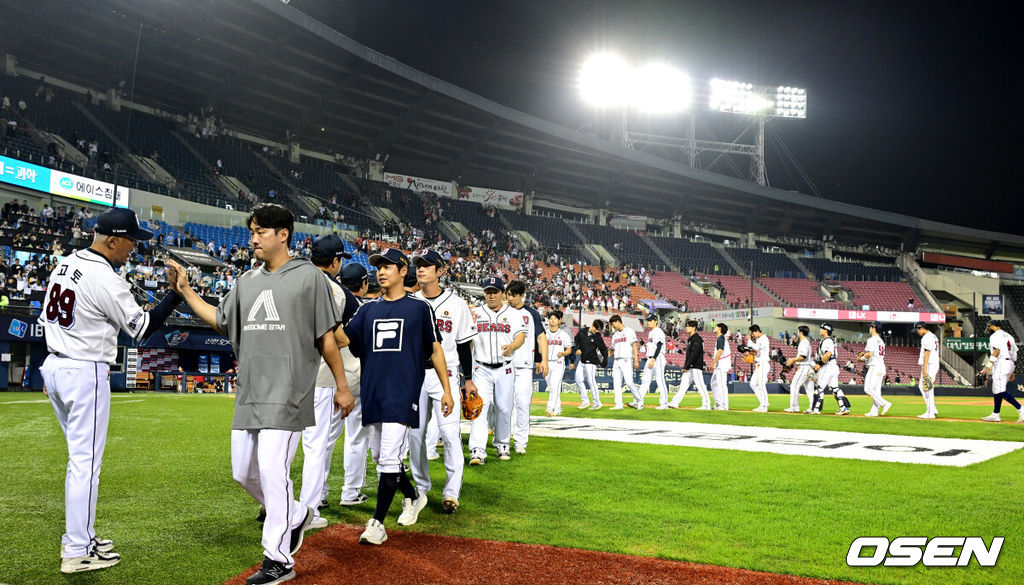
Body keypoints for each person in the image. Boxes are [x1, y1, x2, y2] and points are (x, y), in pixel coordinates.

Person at [166, 203, 354, 585]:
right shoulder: (246, 281)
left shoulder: (309, 278)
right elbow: (220, 321)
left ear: (283, 234)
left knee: (272, 471)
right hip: (250, 391)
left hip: (288, 392)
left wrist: (342, 386)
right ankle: (298, 514)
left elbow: (327, 339)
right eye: (252, 232)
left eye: (260, 232)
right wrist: (185, 291)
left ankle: (278, 559)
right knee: (243, 473)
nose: (252, 239)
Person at [40, 208, 181, 574]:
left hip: (56, 365)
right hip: (83, 369)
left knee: (80, 461)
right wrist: (174, 293)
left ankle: (83, 538)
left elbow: (49, 318)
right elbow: (144, 327)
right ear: (113, 240)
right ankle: (76, 550)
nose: (134, 247)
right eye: (131, 240)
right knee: (85, 465)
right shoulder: (105, 278)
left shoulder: (65, 263)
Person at [335, 248, 453, 545]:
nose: (381, 271)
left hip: (402, 393)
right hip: (373, 392)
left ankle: (377, 523)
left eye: (388, 266)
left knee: (388, 457)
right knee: (381, 458)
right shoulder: (367, 310)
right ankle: (413, 496)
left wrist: (447, 390)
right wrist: (321, 321)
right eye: (378, 267)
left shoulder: (419, 308)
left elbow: (435, 349)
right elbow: (346, 340)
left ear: (403, 271)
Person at [409, 249, 476, 513]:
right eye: (418, 265)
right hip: (415, 373)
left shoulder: (456, 304)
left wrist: (468, 379)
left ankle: (451, 492)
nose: (421, 269)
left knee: (449, 434)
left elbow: (463, 345)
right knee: (415, 436)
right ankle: (421, 488)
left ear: (440, 271)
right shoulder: (409, 301)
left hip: (446, 372)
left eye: (427, 265)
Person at [296, 235, 353, 529]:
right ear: (335, 262)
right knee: (315, 447)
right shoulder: (334, 290)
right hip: (318, 376)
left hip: (286, 375)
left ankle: (273, 504)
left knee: (281, 447)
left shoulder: (290, 276)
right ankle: (309, 512)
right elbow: (335, 338)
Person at [467, 277, 526, 464]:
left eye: (495, 291)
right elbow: (467, 339)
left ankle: (502, 444)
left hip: (504, 368)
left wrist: (512, 346)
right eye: (488, 291)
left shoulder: (514, 314)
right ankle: (477, 450)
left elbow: (521, 336)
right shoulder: (475, 313)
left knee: (503, 408)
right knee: (479, 407)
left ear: (502, 293)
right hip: (481, 367)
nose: (491, 295)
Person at [337, 262, 372, 507]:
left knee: (322, 441)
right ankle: (350, 492)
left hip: (327, 379)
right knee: (356, 438)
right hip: (357, 381)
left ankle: (318, 496)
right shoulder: (366, 310)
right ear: (364, 284)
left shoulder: (331, 304)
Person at [505, 279, 546, 454]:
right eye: (508, 295)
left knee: (522, 403)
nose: (510, 298)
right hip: (503, 365)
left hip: (524, 366)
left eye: (514, 295)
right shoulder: (501, 311)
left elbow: (541, 337)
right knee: (502, 405)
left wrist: (543, 360)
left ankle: (521, 441)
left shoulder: (531, 314)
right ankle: (503, 440)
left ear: (522, 295)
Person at [979, 321, 1022, 423]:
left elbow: (996, 351)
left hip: (1002, 363)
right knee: (997, 389)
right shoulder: (1009, 335)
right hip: (1010, 363)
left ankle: (1021, 409)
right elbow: (1014, 353)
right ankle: (995, 414)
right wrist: (1012, 370)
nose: (988, 329)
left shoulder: (995, 336)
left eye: (989, 327)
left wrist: (988, 366)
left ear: (993, 326)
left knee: (1000, 391)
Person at [669, 320, 711, 410]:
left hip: (696, 366)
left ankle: (707, 404)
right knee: (683, 385)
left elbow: (694, 354)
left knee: (700, 385)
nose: (686, 328)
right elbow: (689, 355)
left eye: (688, 326)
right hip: (690, 367)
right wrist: (686, 366)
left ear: (694, 327)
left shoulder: (697, 339)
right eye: (686, 326)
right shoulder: (691, 339)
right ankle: (674, 402)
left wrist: (686, 366)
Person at [809, 323, 850, 415]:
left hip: (827, 366)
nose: (820, 330)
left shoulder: (827, 341)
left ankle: (816, 409)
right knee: (834, 388)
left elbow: (827, 354)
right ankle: (844, 408)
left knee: (819, 388)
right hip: (833, 366)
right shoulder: (830, 340)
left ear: (826, 330)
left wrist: (819, 364)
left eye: (822, 328)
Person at [542, 310, 573, 416]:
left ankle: (550, 408)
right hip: (547, 363)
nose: (552, 320)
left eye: (555, 318)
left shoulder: (564, 334)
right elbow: (540, 348)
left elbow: (569, 350)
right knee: (552, 386)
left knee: (554, 385)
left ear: (559, 320)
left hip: (558, 363)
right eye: (550, 318)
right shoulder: (544, 333)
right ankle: (558, 408)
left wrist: (563, 353)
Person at [858, 321, 893, 417]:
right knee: (876, 391)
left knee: (868, 388)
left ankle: (885, 403)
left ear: (873, 328)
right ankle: (874, 411)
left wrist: (861, 358)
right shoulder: (881, 340)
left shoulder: (872, 339)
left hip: (875, 366)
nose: (869, 328)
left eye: (870, 327)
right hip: (881, 366)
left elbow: (869, 354)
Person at [608, 315, 642, 410]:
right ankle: (619, 404)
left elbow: (634, 346)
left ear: (618, 321)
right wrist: (606, 354)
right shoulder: (615, 335)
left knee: (629, 382)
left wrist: (636, 360)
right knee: (616, 383)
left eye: (613, 324)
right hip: (616, 360)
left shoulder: (629, 331)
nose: (613, 326)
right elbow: (613, 349)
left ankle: (639, 401)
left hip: (626, 359)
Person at [573, 319, 607, 409]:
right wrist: (577, 348)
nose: (596, 331)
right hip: (582, 361)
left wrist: (605, 360)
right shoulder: (582, 331)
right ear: (592, 325)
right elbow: (576, 341)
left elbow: (604, 349)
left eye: (598, 330)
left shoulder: (598, 337)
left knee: (591, 382)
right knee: (578, 380)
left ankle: (597, 403)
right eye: (596, 329)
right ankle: (585, 402)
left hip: (591, 362)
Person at [638, 315, 670, 409]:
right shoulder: (651, 333)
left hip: (658, 358)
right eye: (648, 320)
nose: (648, 322)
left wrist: (654, 359)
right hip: (650, 358)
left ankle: (664, 404)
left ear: (656, 321)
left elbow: (659, 346)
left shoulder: (658, 331)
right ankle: (638, 401)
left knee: (660, 381)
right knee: (645, 380)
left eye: (650, 320)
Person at [783, 325, 815, 413]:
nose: (797, 333)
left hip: (804, 367)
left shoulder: (804, 342)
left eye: (798, 331)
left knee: (794, 385)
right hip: (809, 367)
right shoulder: (807, 342)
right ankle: (813, 407)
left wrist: (793, 360)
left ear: (801, 332)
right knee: (810, 389)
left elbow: (802, 356)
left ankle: (794, 407)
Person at [914, 322, 940, 419]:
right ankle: (932, 409)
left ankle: (930, 413)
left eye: (917, 329)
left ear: (922, 328)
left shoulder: (927, 337)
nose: (917, 332)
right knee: (922, 386)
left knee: (927, 387)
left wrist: (924, 369)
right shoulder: (933, 336)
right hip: (932, 363)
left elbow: (927, 353)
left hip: (930, 364)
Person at [747, 325, 771, 412]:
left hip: (763, 364)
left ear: (757, 331)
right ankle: (764, 402)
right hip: (758, 364)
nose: (752, 335)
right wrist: (749, 351)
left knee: (761, 384)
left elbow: (757, 348)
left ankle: (764, 406)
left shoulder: (764, 338)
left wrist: (749, 340)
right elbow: (757, 351)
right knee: (753, 384)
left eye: (753, 333)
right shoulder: (758, 340)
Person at [709, 323, 732, 410]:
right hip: (720, 365)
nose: (715, 328)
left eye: (716, 327)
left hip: (722, 365)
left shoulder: (721, 338)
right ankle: (718, 403)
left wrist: (713, 363)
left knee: (721, 385)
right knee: (714, 383)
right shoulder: (721, 338)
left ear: (720, 329)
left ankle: (724, 405)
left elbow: (719, 351)